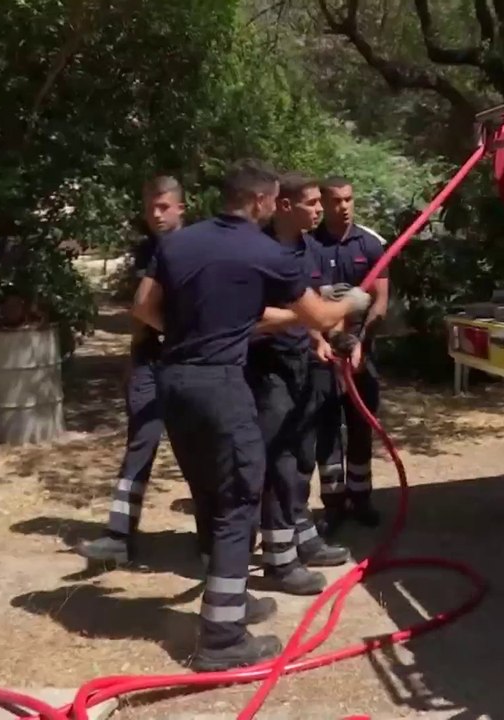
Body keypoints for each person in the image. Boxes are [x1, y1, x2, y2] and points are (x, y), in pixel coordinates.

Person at [132, 159, 370, 671]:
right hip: (221, 385)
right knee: (240, 500)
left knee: (212, 492)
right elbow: (319, 316)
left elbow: (144, 306)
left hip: (173, 382)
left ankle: (232, 602)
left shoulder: (179, 243)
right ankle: (222, 640)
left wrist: (190, 332)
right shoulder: (265, 251)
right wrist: (353, 299)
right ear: (262, 200)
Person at [248, 172, 353, 596]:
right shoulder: (259, 251)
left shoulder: (310, 249)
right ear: (285, 206)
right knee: (278, 459)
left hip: (301, 362)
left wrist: (320, 339)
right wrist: (315, 317)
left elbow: (310, 302)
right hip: (265, 365)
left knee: (302, 455)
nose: (319, 210)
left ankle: (302, 535)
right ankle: (279, 559)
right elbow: (253, 318)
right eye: (312, 203)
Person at [77, 175, 186, 565]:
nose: (156, 215)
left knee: (198, 450)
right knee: (140, 441)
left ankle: (216, 540)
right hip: (148, 360)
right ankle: (118, 535)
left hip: (188, 363)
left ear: (180, 208)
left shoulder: (196, 247)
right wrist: (132, 360)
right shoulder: (145, 252)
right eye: (149, 208)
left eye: (163, 207)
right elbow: (140, 313)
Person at [311, 176, 391, 535]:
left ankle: (361, 498)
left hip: (361, 352)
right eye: (336, 200)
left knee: (361, 427)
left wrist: (360, 342)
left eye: (348, 199)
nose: (343, 206)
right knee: (326, 431)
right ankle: (333, 505)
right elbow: (301, 302)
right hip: (322, 354)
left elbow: (381, 302)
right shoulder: (307, 246)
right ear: (323, 204)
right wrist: (321, 341)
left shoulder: (370, 244)